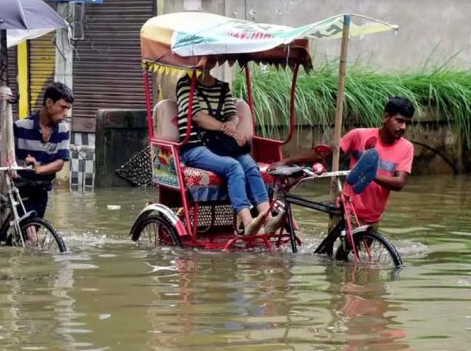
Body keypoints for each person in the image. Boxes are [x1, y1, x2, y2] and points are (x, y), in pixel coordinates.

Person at [271, 97, 415, 227]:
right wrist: (287, 160)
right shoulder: (359, 135)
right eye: (399, 121)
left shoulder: (406, 148)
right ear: (386, 117)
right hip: (346, 208)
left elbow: (399, 182)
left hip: (373, 217)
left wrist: (371, 175)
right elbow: (324, 153)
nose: (403, 127)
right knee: (336, 255)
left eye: (406, 123)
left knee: (363, 256)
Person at [176, 68, 277, 235]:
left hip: (220, 145)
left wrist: (232, 123)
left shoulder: (222, 87)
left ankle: (267, 218)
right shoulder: (185, 83)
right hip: (194, 146)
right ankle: (248, 221)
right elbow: (197, 117)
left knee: (250, 165)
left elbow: (232, 114)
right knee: (233, 166)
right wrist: (227, 128)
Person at [11, 82, 74, 219]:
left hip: (42, 188)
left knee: (34, 227)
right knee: (27, 229)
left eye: (68, 109)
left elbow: (59, 163)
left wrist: (38, 169)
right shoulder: (20, 127)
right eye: (63, 107)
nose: (65, 113)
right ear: (49, 102)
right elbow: (5, 156)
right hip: (19, 188)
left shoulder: (63, 129)